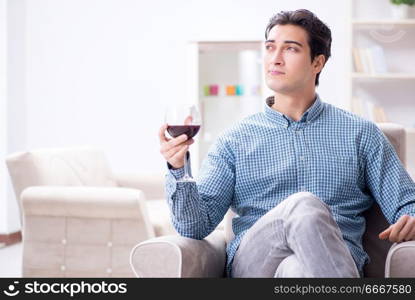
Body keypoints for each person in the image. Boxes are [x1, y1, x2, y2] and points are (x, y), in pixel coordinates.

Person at [158, 9, 415, 278]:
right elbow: (195, 227)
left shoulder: (361, 134)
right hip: (255, 263)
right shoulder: (234, 140)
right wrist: (178, 169)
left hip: (334, 261)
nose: (275, 59)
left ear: (318, 63)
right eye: (270, 48)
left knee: (297, 269)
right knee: (303, 205)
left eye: (290, 49)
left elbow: (407, 202)